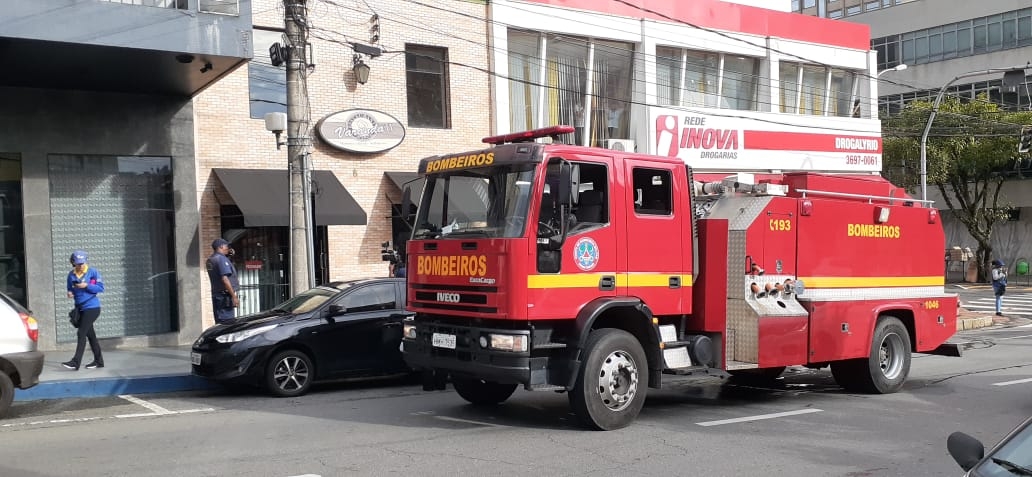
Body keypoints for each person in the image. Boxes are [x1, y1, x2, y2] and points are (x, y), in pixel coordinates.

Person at [62, 250, 104, 370]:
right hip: (80, 309)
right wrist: (70, 293)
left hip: (92, 308)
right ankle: (99, 361)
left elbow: (100, 288)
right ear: (73, 262)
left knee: (81, 333)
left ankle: (76, 362)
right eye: (78, 263)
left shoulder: (93, 272)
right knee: (91, 336)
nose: (80, 265)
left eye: (82, 263)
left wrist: (87, 286)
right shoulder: (71, 275)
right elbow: (70, 288)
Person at [206, 238, 239, 325]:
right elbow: (224, 279)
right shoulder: (221, 259)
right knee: (227, 324)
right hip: (224, 296)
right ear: (221, 246)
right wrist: (234, 296)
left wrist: (228, 256)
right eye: (227, 246)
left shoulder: (211, 259)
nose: (228, 248)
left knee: (219, 323)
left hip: (217, 295)